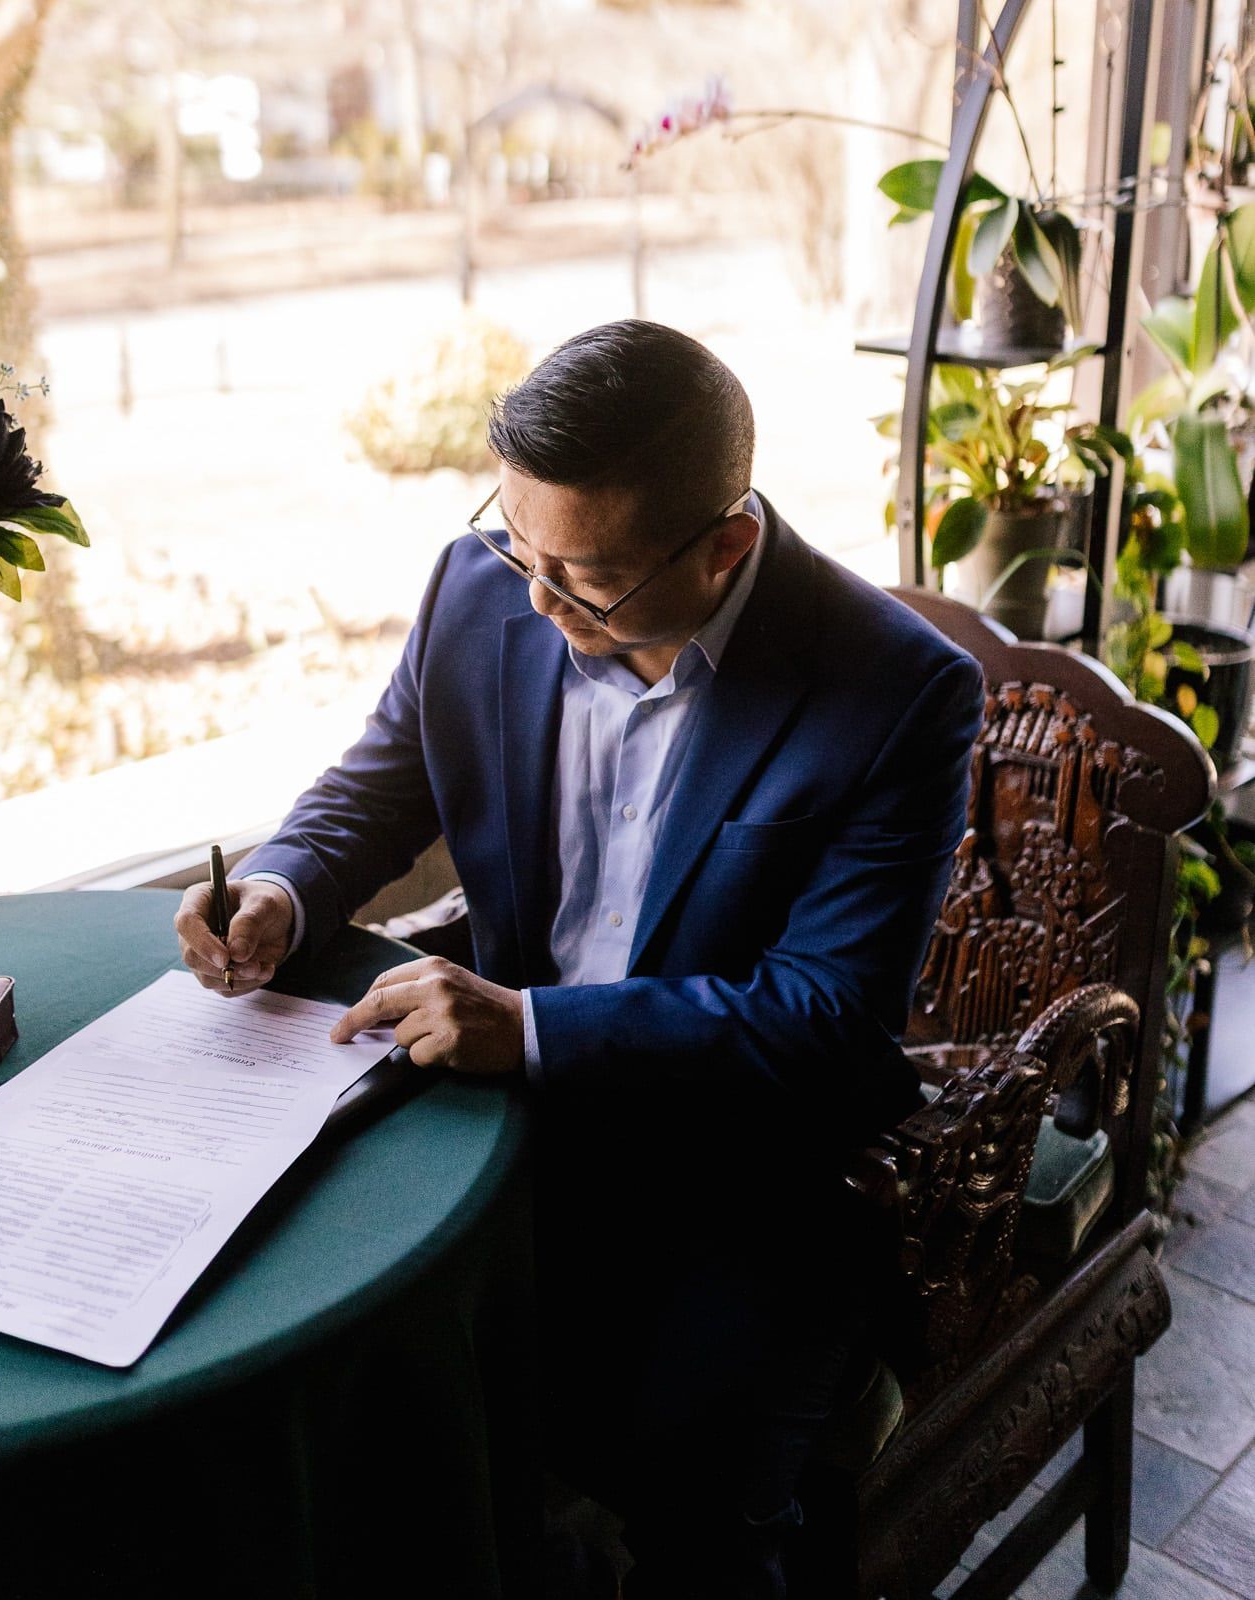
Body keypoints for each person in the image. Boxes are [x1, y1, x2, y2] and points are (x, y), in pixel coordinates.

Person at [174, 319, 984, 1598]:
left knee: (698, 1520)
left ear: (729, 544)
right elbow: (385, 778)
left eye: (583, 575)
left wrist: (534, 1029)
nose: (537, 600)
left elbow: (824, 1018)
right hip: (485, 1140)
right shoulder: (480, 580)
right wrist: (283, 882)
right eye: (520, 542)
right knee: (340, 1412)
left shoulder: (897, 691)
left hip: (742, 1180)